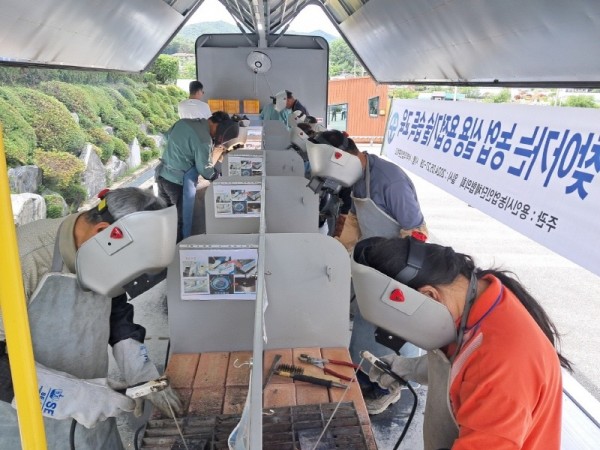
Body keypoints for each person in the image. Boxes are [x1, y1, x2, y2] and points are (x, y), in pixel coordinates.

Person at [0, 187, 183, 449]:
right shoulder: (22, 258)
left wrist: (141, 374)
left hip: (94, 413)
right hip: (24, 425)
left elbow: (116, 313)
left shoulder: (101, 250)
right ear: (104, 234)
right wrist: (75, 396)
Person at [353, 236, 571, 449]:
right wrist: (408, 368)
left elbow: (481, 375)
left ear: (429, 295)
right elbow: (461, 364)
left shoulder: (503, 364)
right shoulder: (476, 297)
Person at [316, 130, 428, 409]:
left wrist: (399, 273)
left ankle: (389, 387)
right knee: (365, 325)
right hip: (371, 263)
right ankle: (365, 378)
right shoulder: (357, 180)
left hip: (397, 267)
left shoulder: (390, 181)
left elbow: (417, 232)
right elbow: (354, 220)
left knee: (387, 332)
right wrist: (337, 253)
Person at [155, 111, 240, 242]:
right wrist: (217, 176)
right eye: (219, 136)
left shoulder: (183, 123)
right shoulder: (204, 139)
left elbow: (167, 136)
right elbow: (204, 169)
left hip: (162, 176)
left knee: (165, 216)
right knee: (182, 221)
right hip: (178, 183)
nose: (217, 138)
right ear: (217, 125)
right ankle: (180, 251)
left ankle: (164, 246)